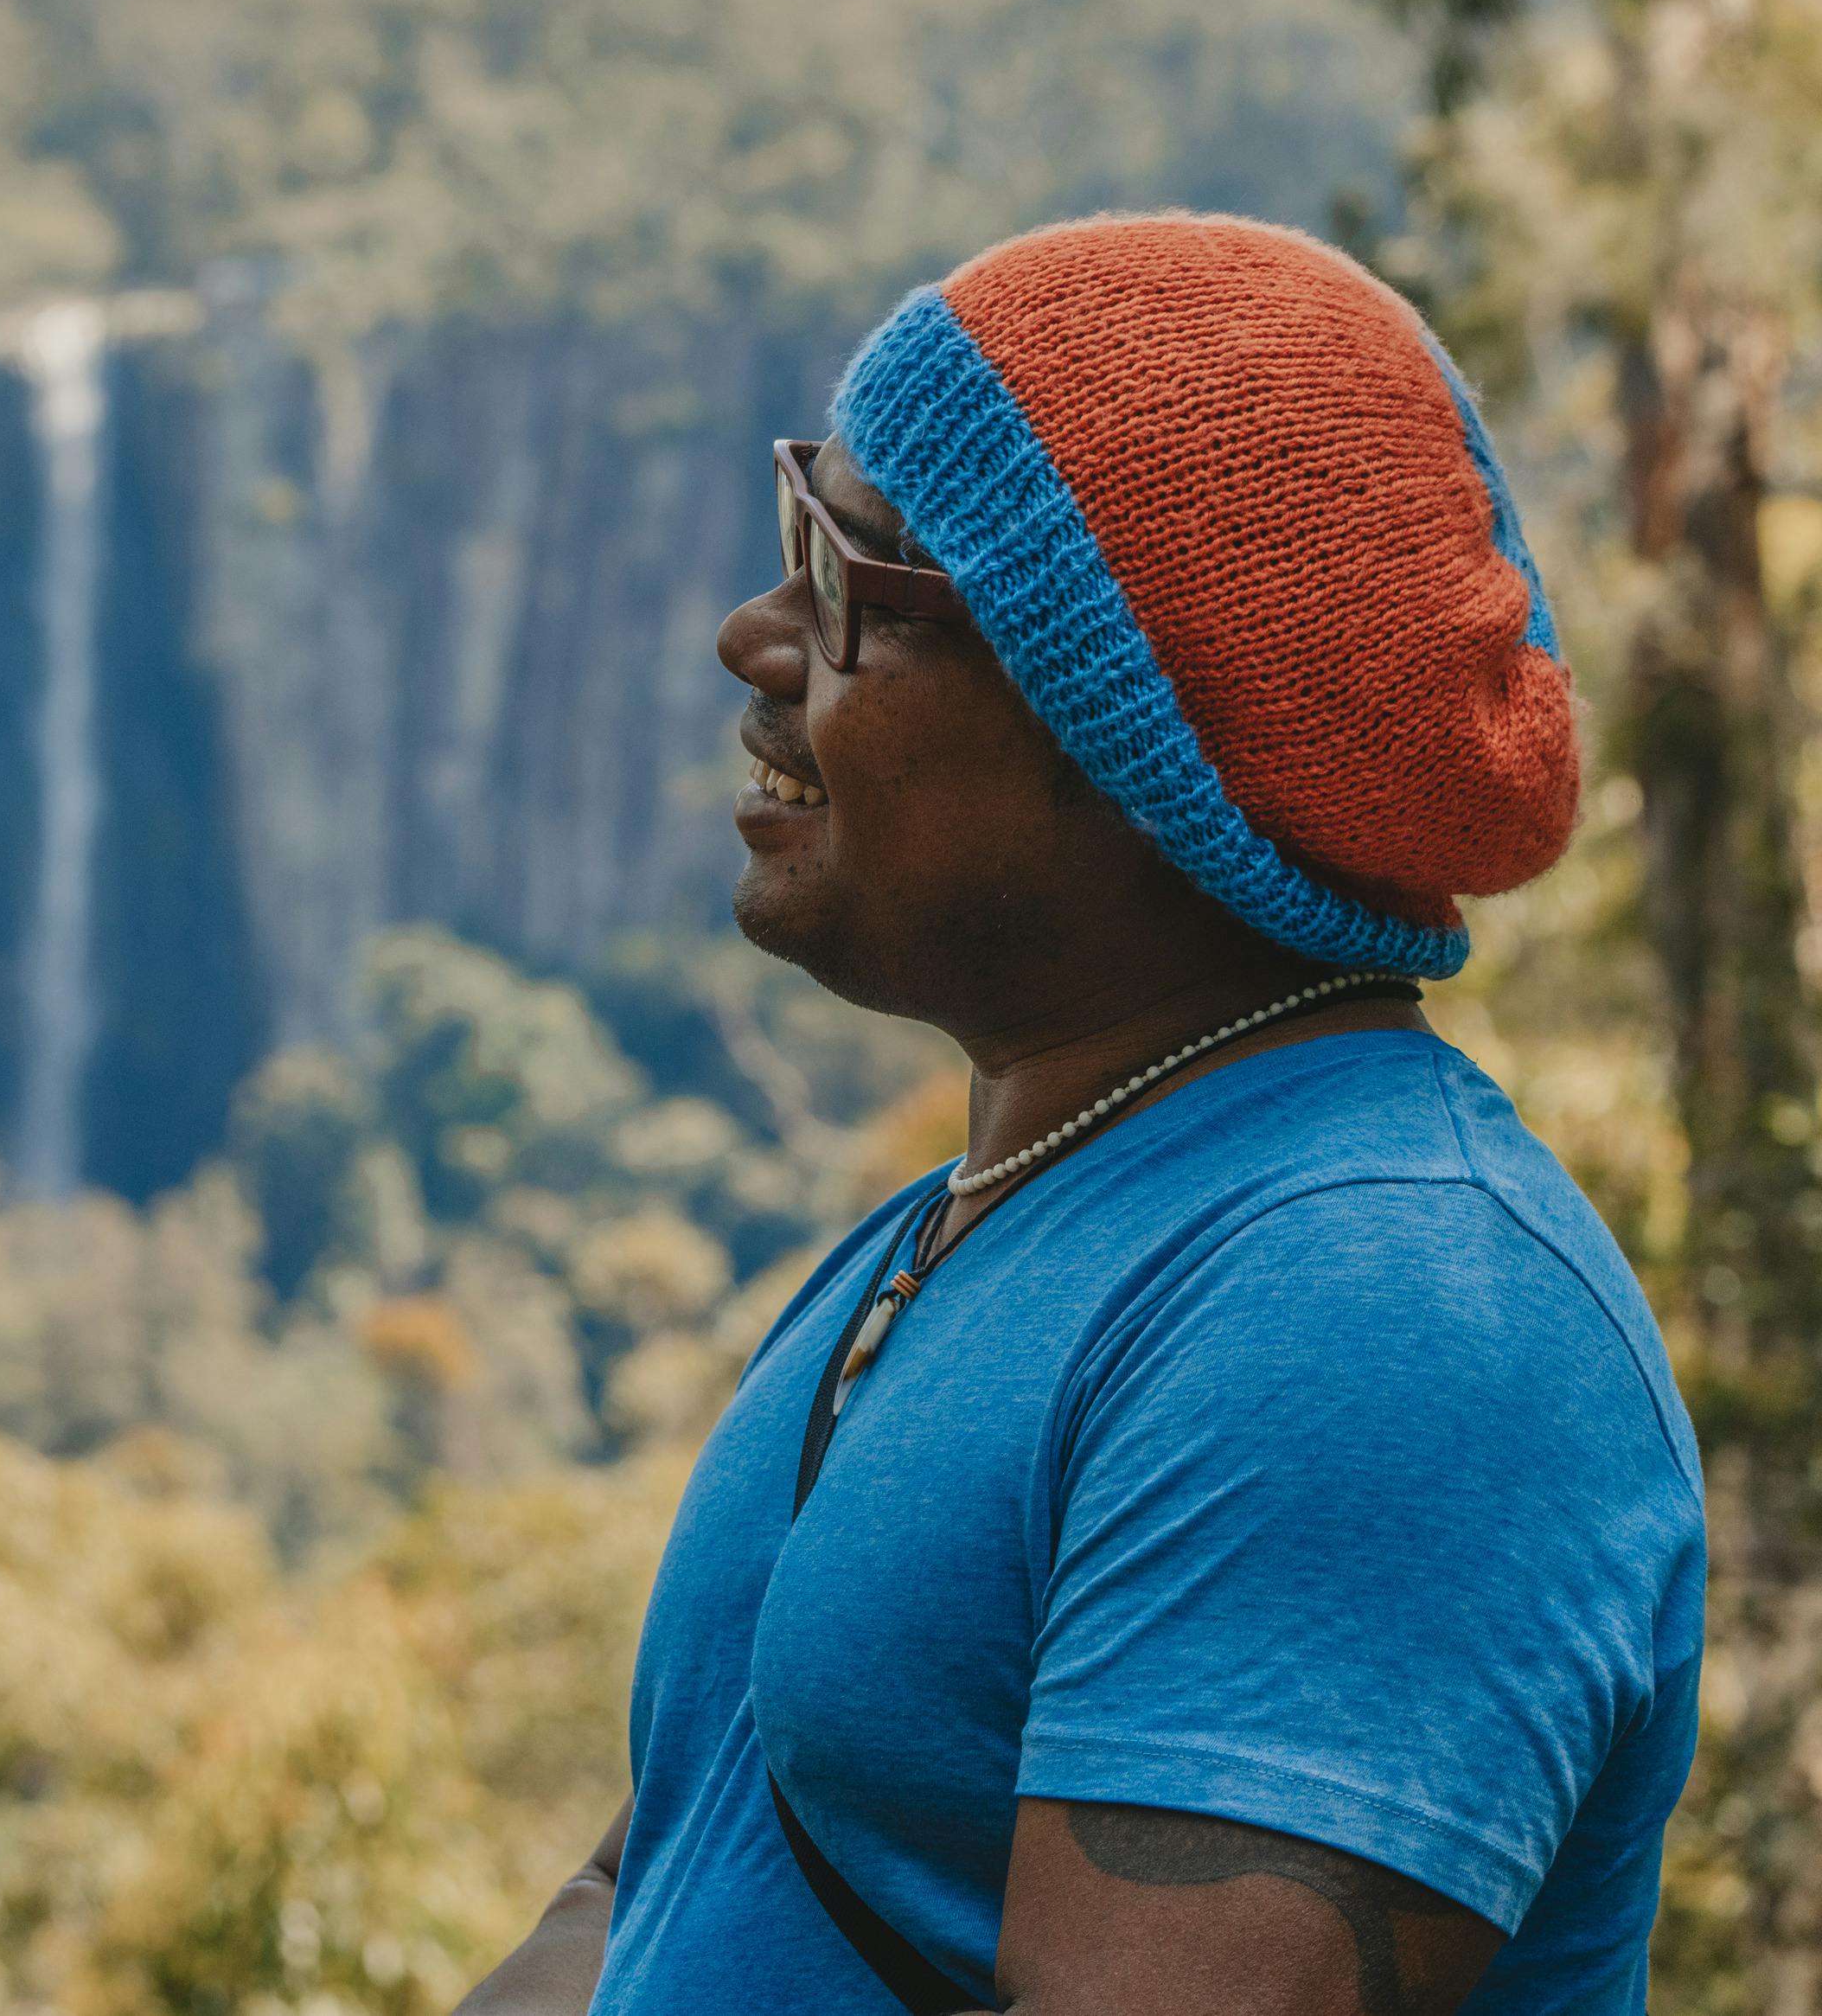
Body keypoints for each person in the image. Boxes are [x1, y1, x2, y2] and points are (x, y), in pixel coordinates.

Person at [460, 214, 1704, 2015]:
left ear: (1130, 732)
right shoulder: (961, 1234)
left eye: (845, 579)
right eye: (794, 524)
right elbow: (651, 1884)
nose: (754, 636)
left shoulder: (1385, 1306)